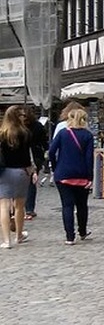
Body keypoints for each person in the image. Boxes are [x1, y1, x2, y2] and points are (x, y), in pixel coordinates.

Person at [49, 108, 95, 245]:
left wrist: (55, 166)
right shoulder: (88, 135)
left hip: (63, 173)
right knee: (82, 205)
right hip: (81, 174)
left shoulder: (63, 133)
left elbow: (51, 151)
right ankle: (82, 231)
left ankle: (70, 236)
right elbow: (89, 158)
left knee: (67, 206)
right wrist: (90, 177)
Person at [0, 105, 37, 248]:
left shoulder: (2, 133)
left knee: (4, 206)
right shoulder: (25, 133)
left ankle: (6, 240)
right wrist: (32, 170)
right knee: (19, 206)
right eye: (22, 115)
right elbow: (27, 155)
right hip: (21, 171)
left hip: (4, 172)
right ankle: (19, 235)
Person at [23, 105, 48, 220]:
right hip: (35, 156)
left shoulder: (17, 126)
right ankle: (29, 208)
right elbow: (44, 141)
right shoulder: (38, 126)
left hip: (19, 157)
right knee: (31, 183)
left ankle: (15, 208)